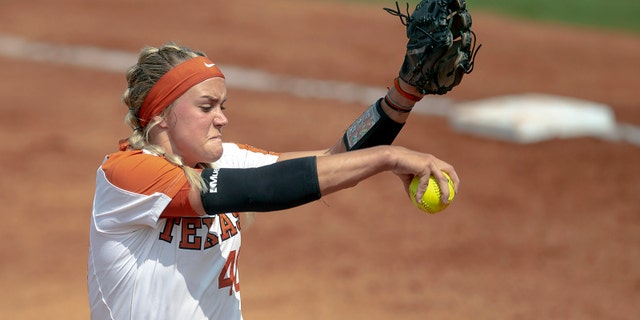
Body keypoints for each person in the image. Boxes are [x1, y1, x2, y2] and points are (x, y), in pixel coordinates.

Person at [88, 42, 459, 319]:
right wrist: (388, 157)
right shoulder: (128, 175)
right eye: (206, 107)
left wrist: (401, 98)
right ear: (163, 115)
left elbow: (335, 162)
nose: (221, 119)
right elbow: (258, 189)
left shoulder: (222, 160)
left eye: (222, 107)